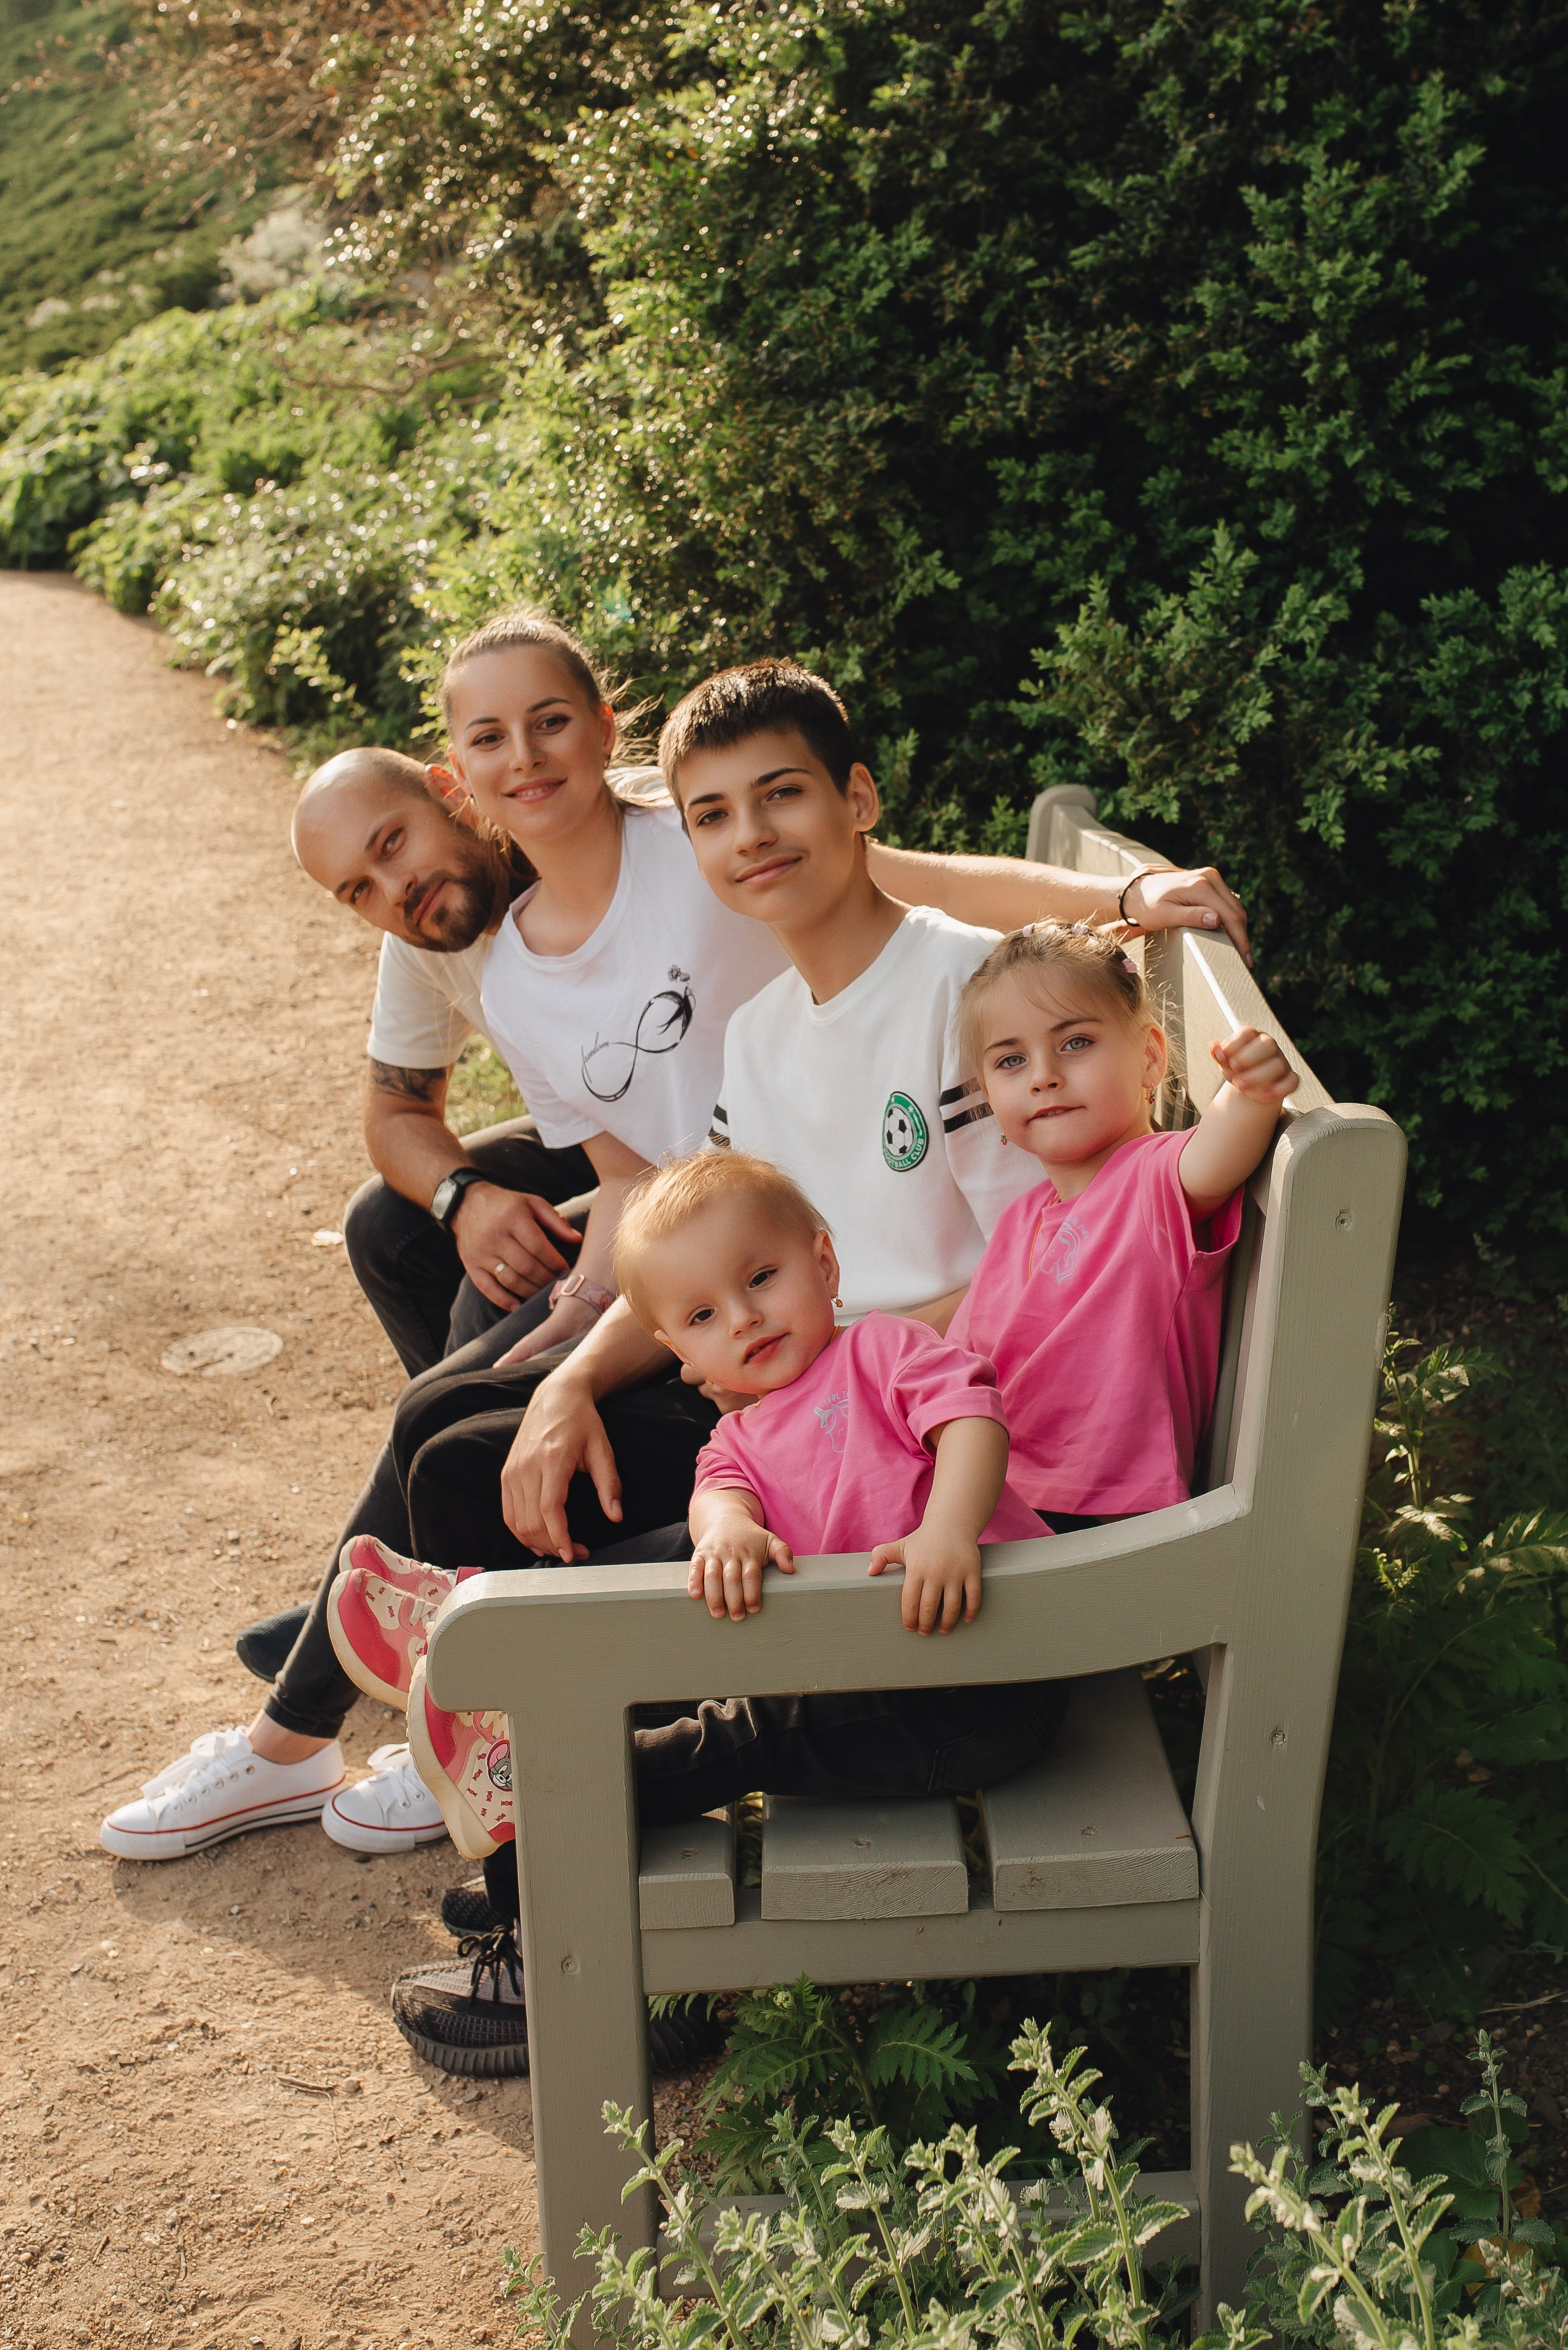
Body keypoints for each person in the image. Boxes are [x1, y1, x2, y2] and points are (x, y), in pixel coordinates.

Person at [101, 622, 1249, 2060]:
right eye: (715, 815)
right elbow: (693, 1236)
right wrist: (576, 1376)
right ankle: (460, 1748)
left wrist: (1129, 897)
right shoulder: (762, 1027)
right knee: (480, 1446)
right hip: (813, 1382)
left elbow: (1037, 1280)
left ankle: (511, 1828)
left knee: (494, 1530)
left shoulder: (974, 1013)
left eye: (779, 800)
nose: (748, 839)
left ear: (855, 801)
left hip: (920, 1443)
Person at [326, 1149, 1060, 1865]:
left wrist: (947, 1529)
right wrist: (730, 1531)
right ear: (673, 1344)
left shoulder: (882, 1348)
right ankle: (479, 1619)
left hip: (979, 1685)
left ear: (825, 1264)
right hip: (867, 1662)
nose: (743, 1317)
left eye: (762, 1278)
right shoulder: (734, 1437)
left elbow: (970, 1418)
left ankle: (532, 1776)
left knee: (750, 1731)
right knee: (687, 1576)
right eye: (704, 1314)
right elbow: (716, 1498)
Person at [946, 921, 1297, 1515]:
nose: (1043, 1075)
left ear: (1149, 1057)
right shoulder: (1019, 1224)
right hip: (998, 1497)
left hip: (1098, 1518)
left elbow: (1216, 1155)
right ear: (986, 1095)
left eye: (1076, 1042)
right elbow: (959, 1369)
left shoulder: (1153, 1180)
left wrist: (1250, 1092)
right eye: (1010, 1060)